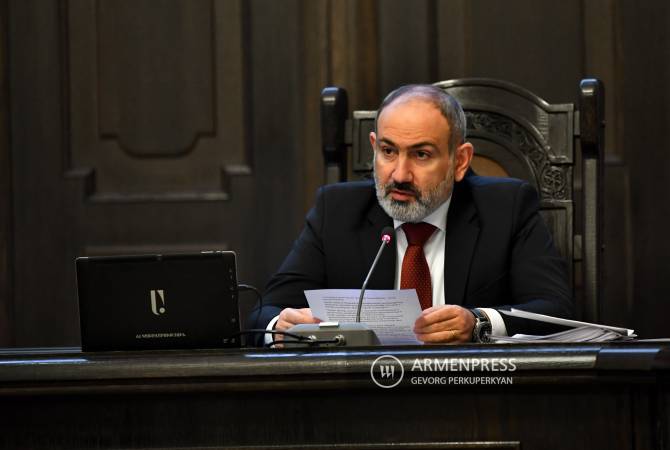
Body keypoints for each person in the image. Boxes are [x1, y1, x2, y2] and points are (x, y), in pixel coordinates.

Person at [252, 84, 573, 345]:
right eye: (388, 151)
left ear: (460, 161)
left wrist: (479, 322)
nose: (400, 174)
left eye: (421, 154)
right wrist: (280, 325)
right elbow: (263, 312)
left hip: (472, 386)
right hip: (363, 390)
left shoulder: (506, 208)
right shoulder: (336, 211)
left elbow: (556, 310)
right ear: (374, 147)